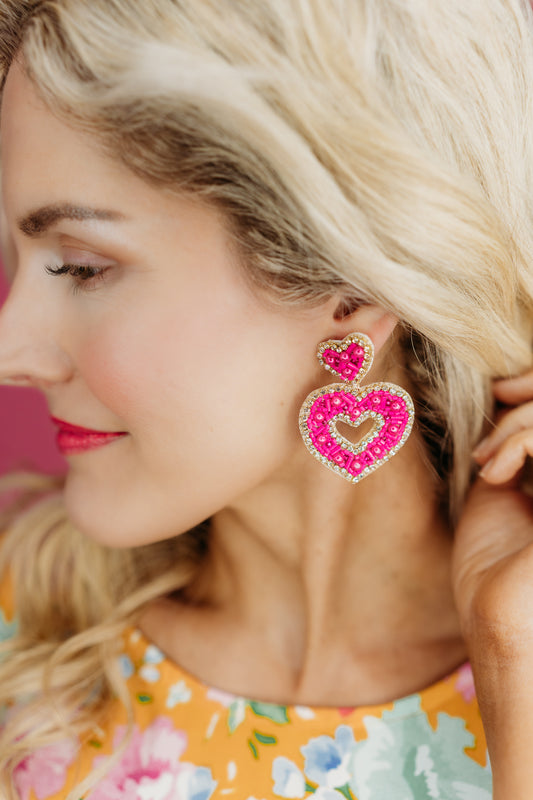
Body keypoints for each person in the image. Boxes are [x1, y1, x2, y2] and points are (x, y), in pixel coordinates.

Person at [0, 0, 533, 797]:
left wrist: (514, 654)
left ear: (348, 287)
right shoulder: (19, 649)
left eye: (82, 266)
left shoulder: (518, 648)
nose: (10, 352)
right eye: (14, 260)